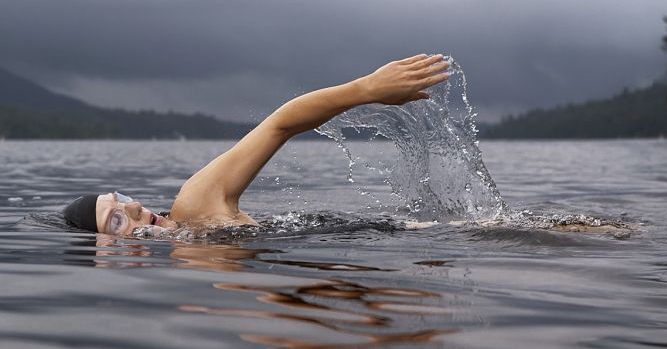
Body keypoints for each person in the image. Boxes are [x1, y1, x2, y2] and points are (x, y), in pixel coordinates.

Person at [63, 54, 449, 236]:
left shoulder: (194, 206)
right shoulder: (191, 267)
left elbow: (279, 125)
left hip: (421, 235)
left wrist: (366, 90)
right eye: (116, 219)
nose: (133, 206)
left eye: (122, 198)